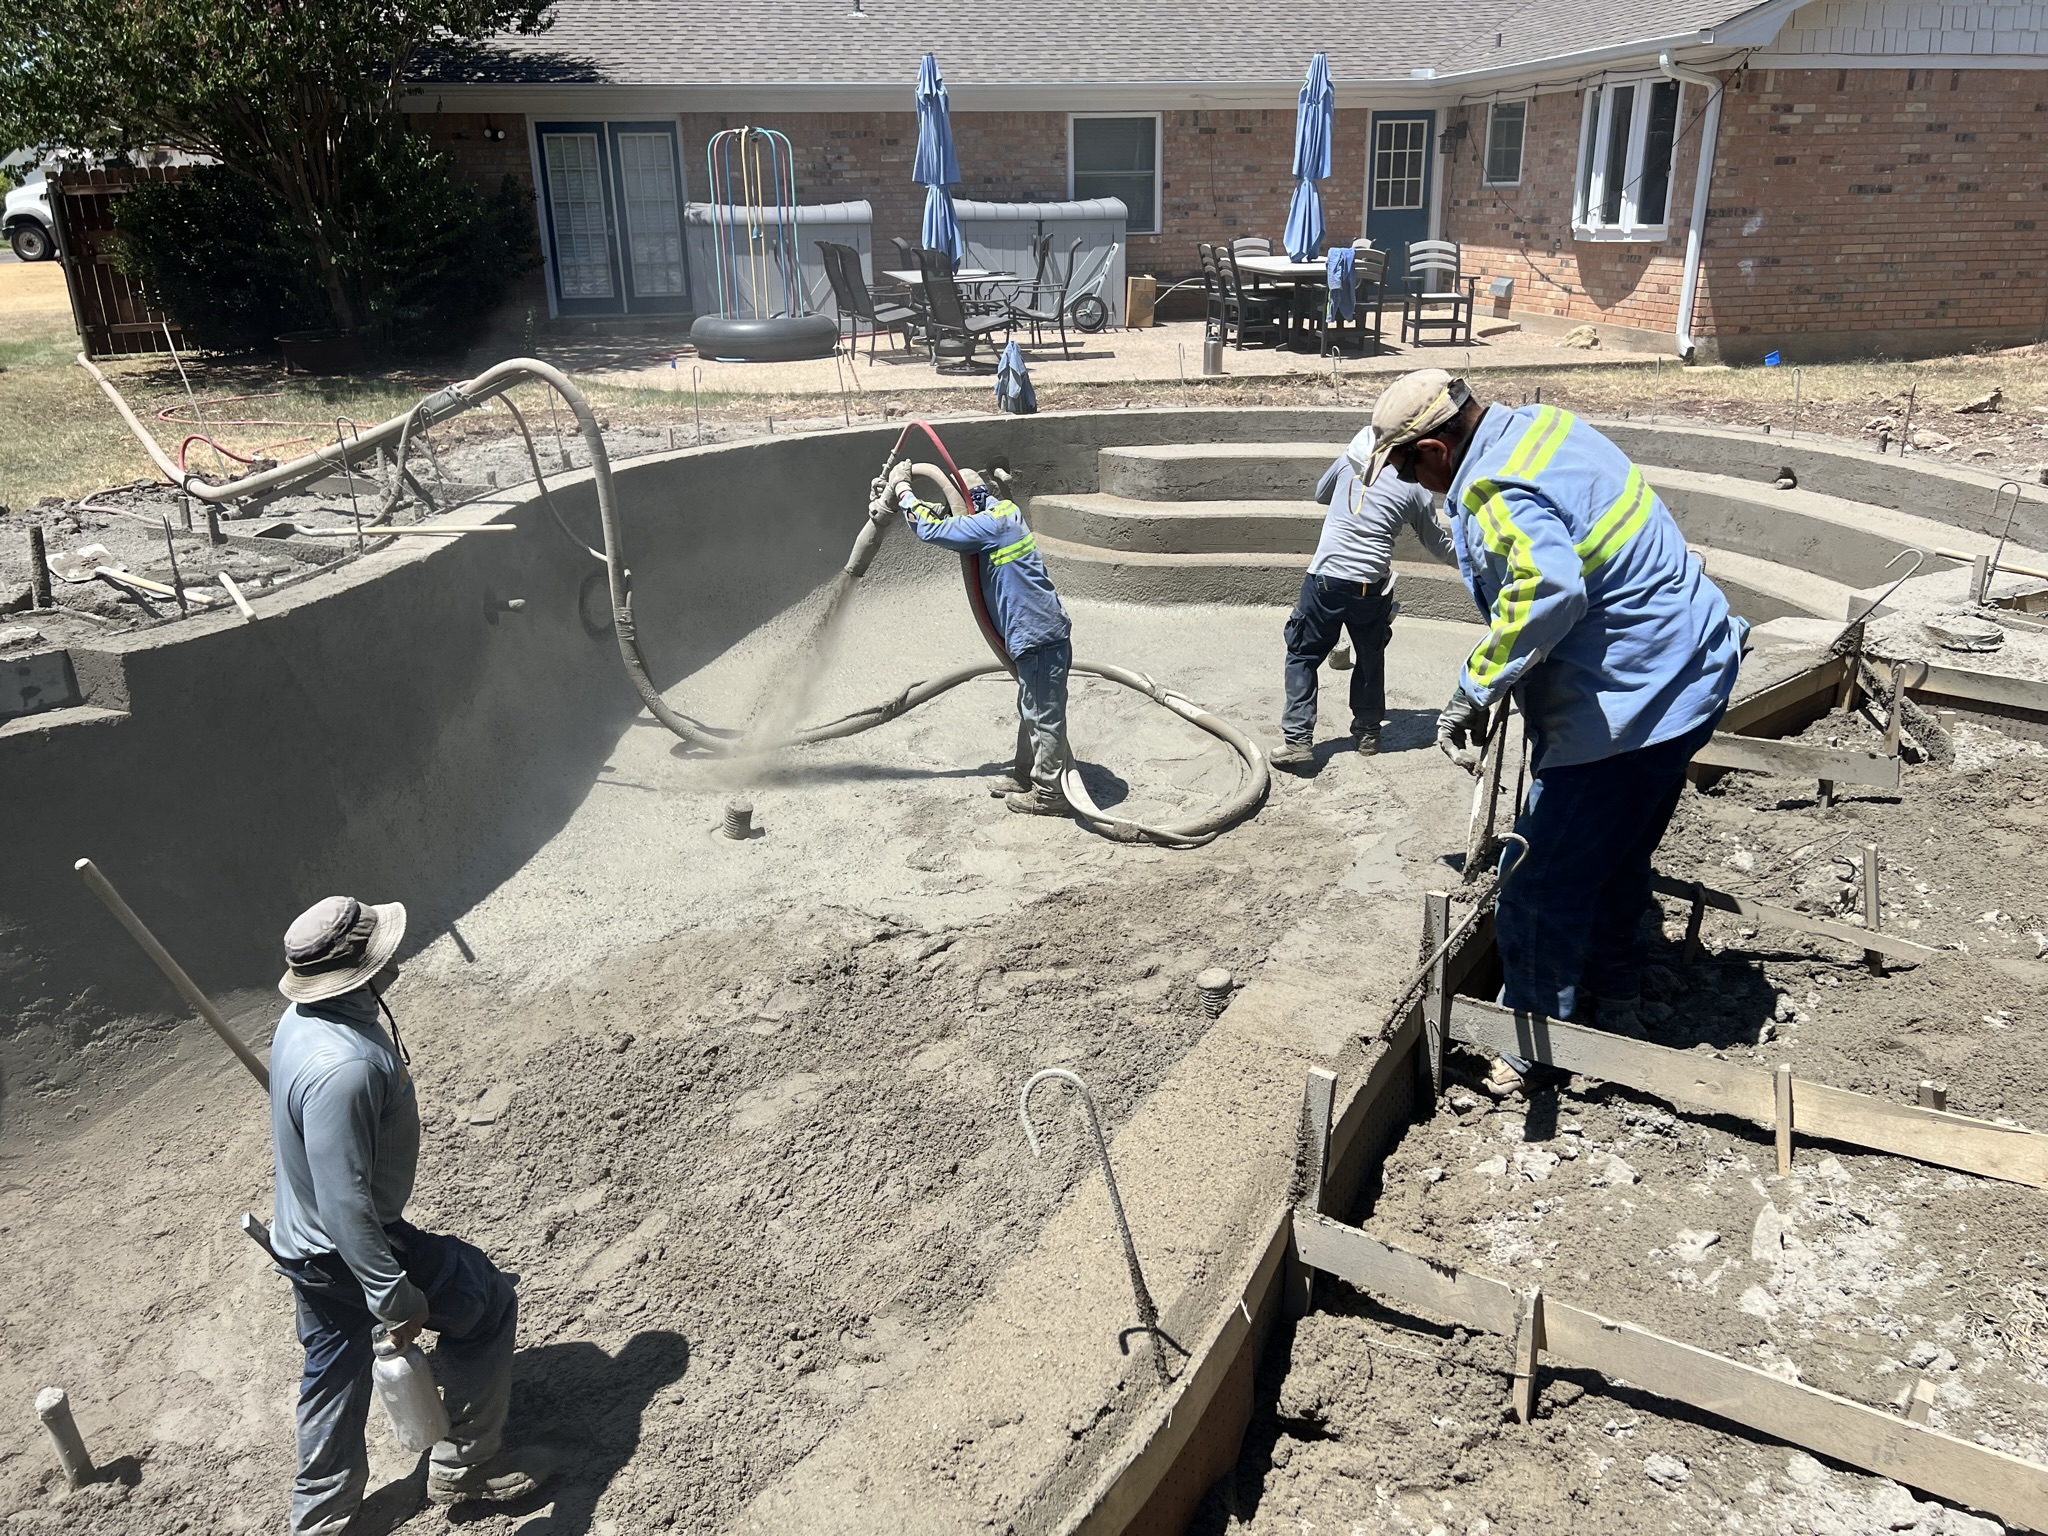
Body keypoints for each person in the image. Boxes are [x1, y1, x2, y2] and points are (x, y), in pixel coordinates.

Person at [1360, 369, 1745, 1097]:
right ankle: (1618, 994)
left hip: (1633, 705)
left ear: (1437, 450)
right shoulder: (1546, 428)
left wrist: (1476, 686)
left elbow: (1551, 587)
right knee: (1618, 854)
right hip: (1695, 674)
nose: (1417, 482)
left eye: (1408, 466)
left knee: (1536, 887)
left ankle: (1531, 1047)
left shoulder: (1488, 486)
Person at [269, 896, 549, 1532]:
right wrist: (390, 1292)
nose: (393, 959)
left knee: (331, 1374)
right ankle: (467, 1468)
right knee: (483, 1300)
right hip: (353, 1247)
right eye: (380, 955)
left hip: (301, 1245)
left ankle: (320, 1518)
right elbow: (347, 1205)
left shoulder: (298, 1022)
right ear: (363, 972)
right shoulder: (348, 1066)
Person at [880, 460, 1074, 815]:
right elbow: (956, 516)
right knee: (1031, 707)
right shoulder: (1004, 513)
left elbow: (933, 530)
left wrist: (903, 490)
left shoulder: (991, 525)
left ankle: (1052, 795)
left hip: (1039, 635)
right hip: (1035, 631)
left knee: (1042, 713)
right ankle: (1023, 775)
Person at [1273, 427, 1457, 767]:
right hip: (1372, 587)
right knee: (1370, 657)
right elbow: (1438, 544)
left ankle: (1298, 739)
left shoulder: (1351, 462)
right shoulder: (1416, 488)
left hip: (1326, 580)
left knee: (1302, 655)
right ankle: (1369, 732)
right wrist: (1476, 561)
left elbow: (1320, 494)